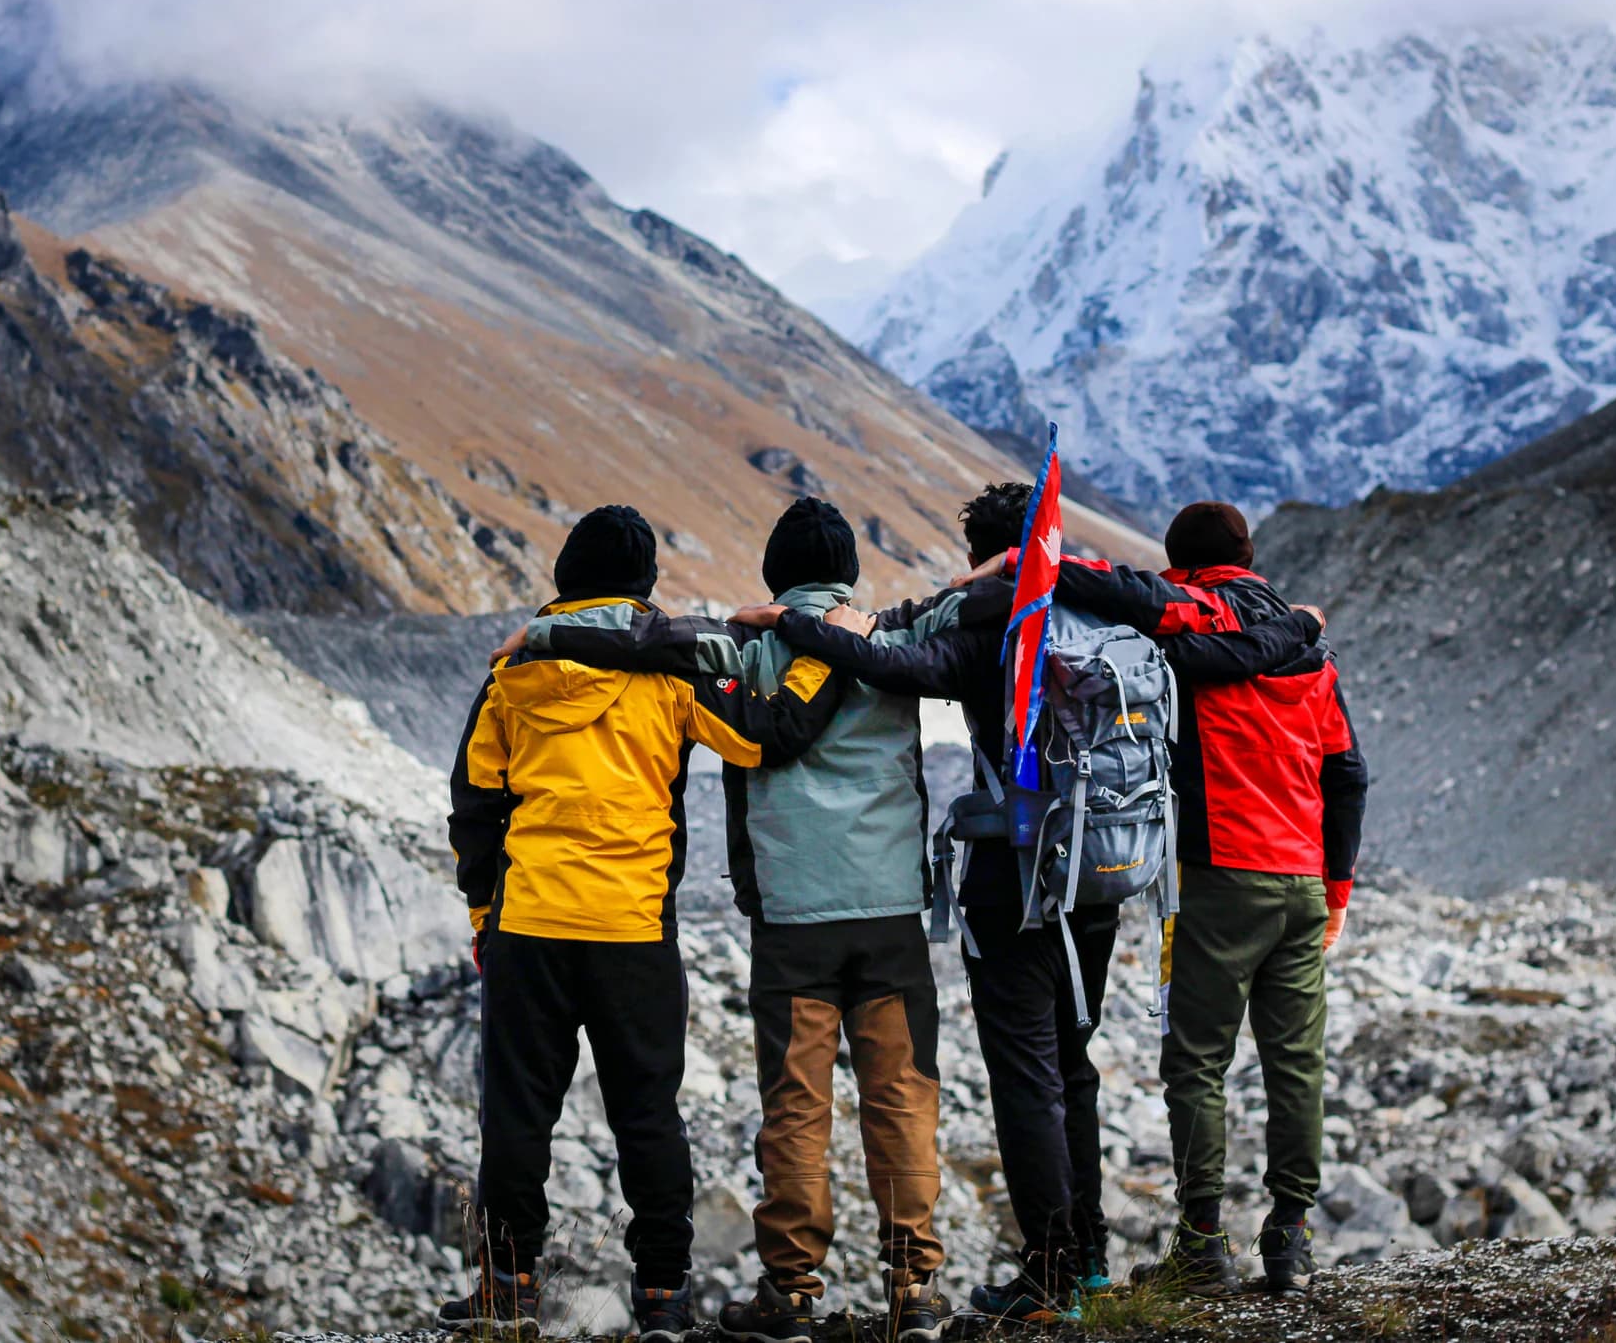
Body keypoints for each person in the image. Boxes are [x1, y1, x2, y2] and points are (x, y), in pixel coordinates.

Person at [764, 485, 1325, 1318]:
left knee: (1025, 1071)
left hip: (1013, 879)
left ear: (984, 555)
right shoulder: (1114, 617)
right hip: (1098, 870)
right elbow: (1238, 647)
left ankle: (1051, 1271)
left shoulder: (1000, 626)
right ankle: (1088, 1258)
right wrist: (1306, 622)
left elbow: (895, 663)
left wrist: (793, 625)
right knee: (1073, 1062)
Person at [500, 499, 956, 1343]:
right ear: (848, 573)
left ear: (774, 575)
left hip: (791, 915)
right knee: (901, 1095)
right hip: (891, 908)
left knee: (795, 1102)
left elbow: (648, 644)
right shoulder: (891, 644)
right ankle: (915, 1285)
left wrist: (546, 637)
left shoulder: (748, 648)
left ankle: (790, 1289)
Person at [442, 505, 850, 1341]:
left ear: (563, 576)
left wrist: (487, 916)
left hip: (532, 925)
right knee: (649, 1115)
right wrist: (820, 656)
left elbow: (476, 808)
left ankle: (506, 1288)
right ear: (644, 587)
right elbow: (767, 736)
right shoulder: (671, 671)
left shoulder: (513, 671)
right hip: (631, 930)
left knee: (518, 1113)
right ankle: (663, 1295)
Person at [1033, 499, 1368, 1295]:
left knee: (1196, 1064)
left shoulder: (1194, 616)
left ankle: (1200, 1241)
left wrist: (1024, 562)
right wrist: (1338, 885)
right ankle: (1290, 1235)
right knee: (1296, 1063)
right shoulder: (1310, 653)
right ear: (1249, 557)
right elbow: (1347, 772)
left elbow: (1111, 587)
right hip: (1302, 881)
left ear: (1181, 564)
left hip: (1217, 876)